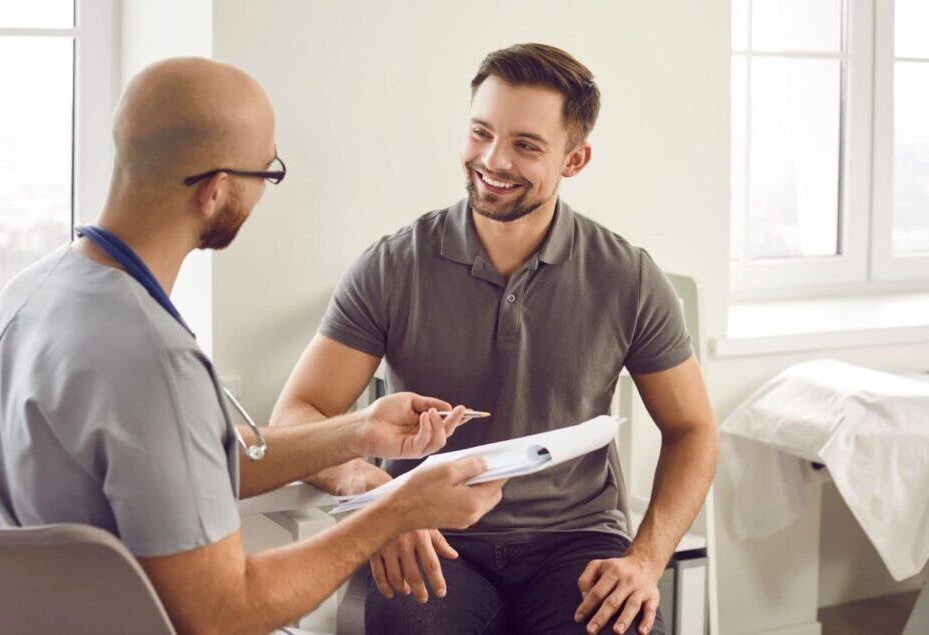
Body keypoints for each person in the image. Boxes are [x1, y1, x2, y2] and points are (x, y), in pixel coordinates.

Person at [0, 57, 506, 634]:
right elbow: (221, 614)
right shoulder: (152, 360)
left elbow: (181, 463)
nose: (266, 191)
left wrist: (358, 430)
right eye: (267, 173)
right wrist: (397, 510)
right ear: (215, 191)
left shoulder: (31, 293)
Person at [271, 43, 719, 635]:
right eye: (481, 132)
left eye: (526, 145)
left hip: (576, 543)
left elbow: (693, 429)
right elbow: (297, 415)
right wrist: (377, 493)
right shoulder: (392, 266)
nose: (492, 160)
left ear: (574, 159)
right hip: (427, 532)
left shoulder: (628, 276)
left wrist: (645, 558)